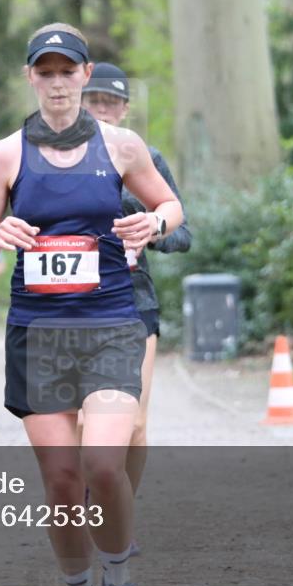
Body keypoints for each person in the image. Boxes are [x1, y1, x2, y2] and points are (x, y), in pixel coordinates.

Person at [0, 23, 183, 586]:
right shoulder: (5, 154)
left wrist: (155, 223)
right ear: (30, 78)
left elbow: (170, 203)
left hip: (112, 325)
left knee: (104, 463)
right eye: (46, 72)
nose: (57, 83)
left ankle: (119, 581)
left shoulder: (123, 146)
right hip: (39, 336)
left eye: (68, 71)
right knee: (62, 482)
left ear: (86, 76)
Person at [80, 62, 191, 556]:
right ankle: (100, 498)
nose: (102, 109)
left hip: (133, 300)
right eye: (94, 100)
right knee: (86, 424)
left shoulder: (144, 157)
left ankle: (118, 510)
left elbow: (182, 230)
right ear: (80, 102)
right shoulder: (52, 159)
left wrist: (151, 227)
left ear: (125, 109)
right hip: (73, 306)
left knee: (137, 426)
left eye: (111, 102)